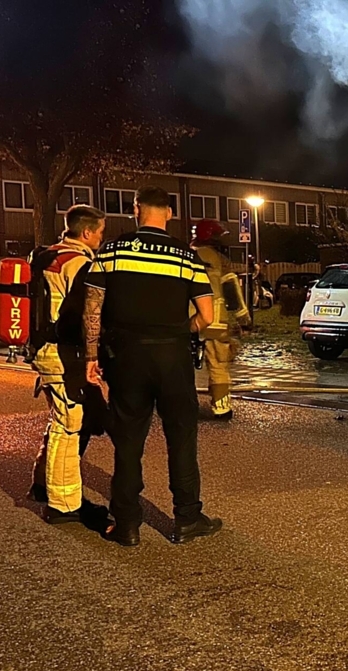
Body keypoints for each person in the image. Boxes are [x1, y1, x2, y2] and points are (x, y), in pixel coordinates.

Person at [83, 186, 220, 547]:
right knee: (182, 438)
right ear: (170, 213)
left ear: (135, 210)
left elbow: (92, 308)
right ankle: (187, 518)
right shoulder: (185, 256)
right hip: (172, 356)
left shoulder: (110, 250)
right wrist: (180, 330)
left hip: (127, 357)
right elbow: (208, 315)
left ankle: (126, 524)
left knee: (128, 441)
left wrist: (91, 357)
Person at [26, 205, 110, 526]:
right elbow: (86, 316)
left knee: (60, 415)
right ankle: (62, 504)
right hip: (63, 352)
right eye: (100, 232)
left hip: (41, 348)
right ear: (86, 232)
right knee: (69, 423)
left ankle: (41, 482)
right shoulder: (80, 264)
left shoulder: (44, 255)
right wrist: (94, 355)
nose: (101, 237)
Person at [190, 218, 251, 419]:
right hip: (215, 320)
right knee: (218, 364)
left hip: (186, 319)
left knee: (178, 364)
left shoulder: (184, 255)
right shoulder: (220, 260)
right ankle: (221, 408)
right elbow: (232, 291)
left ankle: (180, 405)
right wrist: (244, 320)